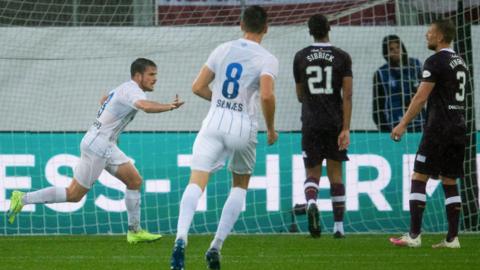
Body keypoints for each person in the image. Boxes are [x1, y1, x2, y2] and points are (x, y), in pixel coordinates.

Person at [7, 58, 184, 244]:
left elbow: (104, 100)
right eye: (151, 74)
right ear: (138, 76)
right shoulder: (134, 91)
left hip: (105, 144)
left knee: (134, 180)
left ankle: (135, 231)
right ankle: (23, 198)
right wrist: (169, 106)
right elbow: (145, 107)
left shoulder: (123, 87)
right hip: (97, 146)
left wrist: (112, 131)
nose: (155, 79)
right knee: (74, 195)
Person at [169, 5, 278, 270]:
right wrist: (271, 128)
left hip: (215, 121)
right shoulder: (268, 59)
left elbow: (197, 87)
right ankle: (215, 246)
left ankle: (181, 238)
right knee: (239, 185)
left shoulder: (222, 49)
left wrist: (218, 99)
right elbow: (265, 94)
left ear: (241, 24)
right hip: (243, 126)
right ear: (266, 28)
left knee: (196, 182)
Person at [389, 19, 468, 248]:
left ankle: (414, 236)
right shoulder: (460, 61)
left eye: (431, 32)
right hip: (458, 126)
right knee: (450, 180)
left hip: (439, 128)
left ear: (441, 36)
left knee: (419, 177)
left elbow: (421, 97)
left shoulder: (435, 61)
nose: (426, 35)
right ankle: (453, 238)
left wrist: (402, 124)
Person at [293, 14, 352, 238]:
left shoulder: (300, 57)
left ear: (310, 31)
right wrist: (345, 128)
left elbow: (300, 94)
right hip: (335, 122)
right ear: (329, 28)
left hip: (310, 122)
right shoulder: (342, 57)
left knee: (312, 173)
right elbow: (348, 94)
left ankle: (311, 202)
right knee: (336, 174)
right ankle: (338, 227)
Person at [373, 35, 426, 132]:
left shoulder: (416, 66)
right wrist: (384, 130)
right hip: (394, 125)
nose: (396, 51)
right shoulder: (381, 73)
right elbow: (377, 107)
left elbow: (425, 94)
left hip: (419, 123)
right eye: (391, 49)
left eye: (398, 47)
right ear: (386, 53)